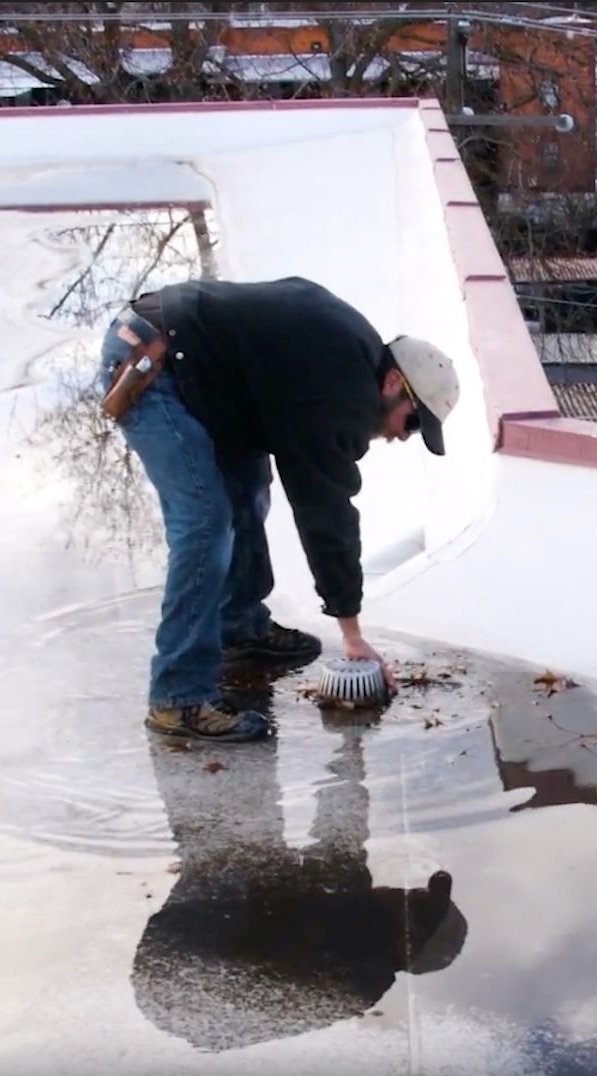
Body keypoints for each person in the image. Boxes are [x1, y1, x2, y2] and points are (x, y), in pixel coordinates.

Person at [96, 276, 461, 744]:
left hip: (208, 378)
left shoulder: (349, 361)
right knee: (205, 520)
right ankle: (178, 698)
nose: (403, 436)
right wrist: (351, 632)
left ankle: (240, 629)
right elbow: (326, 512)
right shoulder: (340, 391)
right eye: (412, 421)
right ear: (394, 382)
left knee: (248, 487)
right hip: (154, 363)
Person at [130, 716, 467, 1050]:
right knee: (265, 868)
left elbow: (339, 829)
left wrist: (350, 747)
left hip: (182, 972)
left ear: (411, 934)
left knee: (246, 846)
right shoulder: (366, 969)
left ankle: (195, 729)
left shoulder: (358, 924)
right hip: (174, 992)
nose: (401, 890)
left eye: (414, 899)